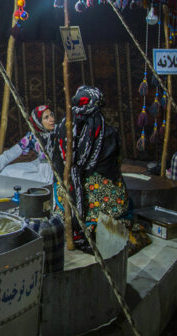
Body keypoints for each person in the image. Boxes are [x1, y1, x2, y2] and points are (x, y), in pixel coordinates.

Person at [51, 86, 129, 252]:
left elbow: (58, 163)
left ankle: (72, 225)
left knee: (62, 185)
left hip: (65, 197)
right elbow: (114, 165)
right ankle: (91, 228)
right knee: (115, 191)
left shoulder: (61, 128)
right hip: (101, 201)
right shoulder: (107, 133)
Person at [0, 105, 56, 184]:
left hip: (56, 168)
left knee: (47, 182)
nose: (52, 119)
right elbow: (12, 153)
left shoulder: (59, 131)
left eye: (52, 115)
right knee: (7, 172)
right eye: (46, 117)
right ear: (38, 122)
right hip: (41, 165)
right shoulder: (32, 136)